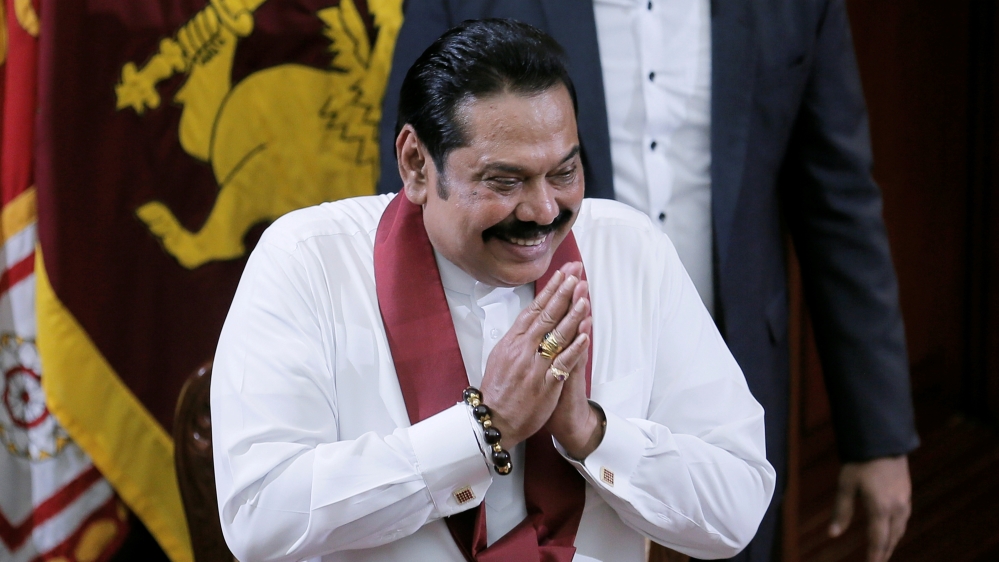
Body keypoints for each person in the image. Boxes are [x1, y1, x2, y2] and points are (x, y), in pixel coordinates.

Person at [213, 19, 775, 562]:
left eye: (564, 173)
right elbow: (258, 516)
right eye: (505, 181)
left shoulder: (630, 249)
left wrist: (590, 433)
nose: (544, 211)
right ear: (415, 164)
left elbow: (739, 504)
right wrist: (484, 429)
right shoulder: (308, 260)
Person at [377, 3, 920, 562]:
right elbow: (421, 192)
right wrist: (477, 423)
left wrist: (877, 435)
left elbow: (839, 203)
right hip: (524, 379)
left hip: (736, 361)